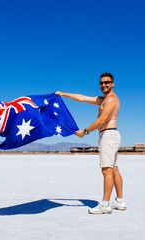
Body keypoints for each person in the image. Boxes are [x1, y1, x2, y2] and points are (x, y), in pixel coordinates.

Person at [56, 72, 126, 214]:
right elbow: (82, 98)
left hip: (109, 135)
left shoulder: (111, 99)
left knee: (106, 169)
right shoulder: (103, 100)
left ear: (113, 84)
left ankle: (105, 204)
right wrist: (63, 94)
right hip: (109, 135)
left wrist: (85, 132)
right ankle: (119, 201)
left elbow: (102, 120)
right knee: (114, 169)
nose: (104, 85)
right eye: (101, 83)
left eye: (107, 82)